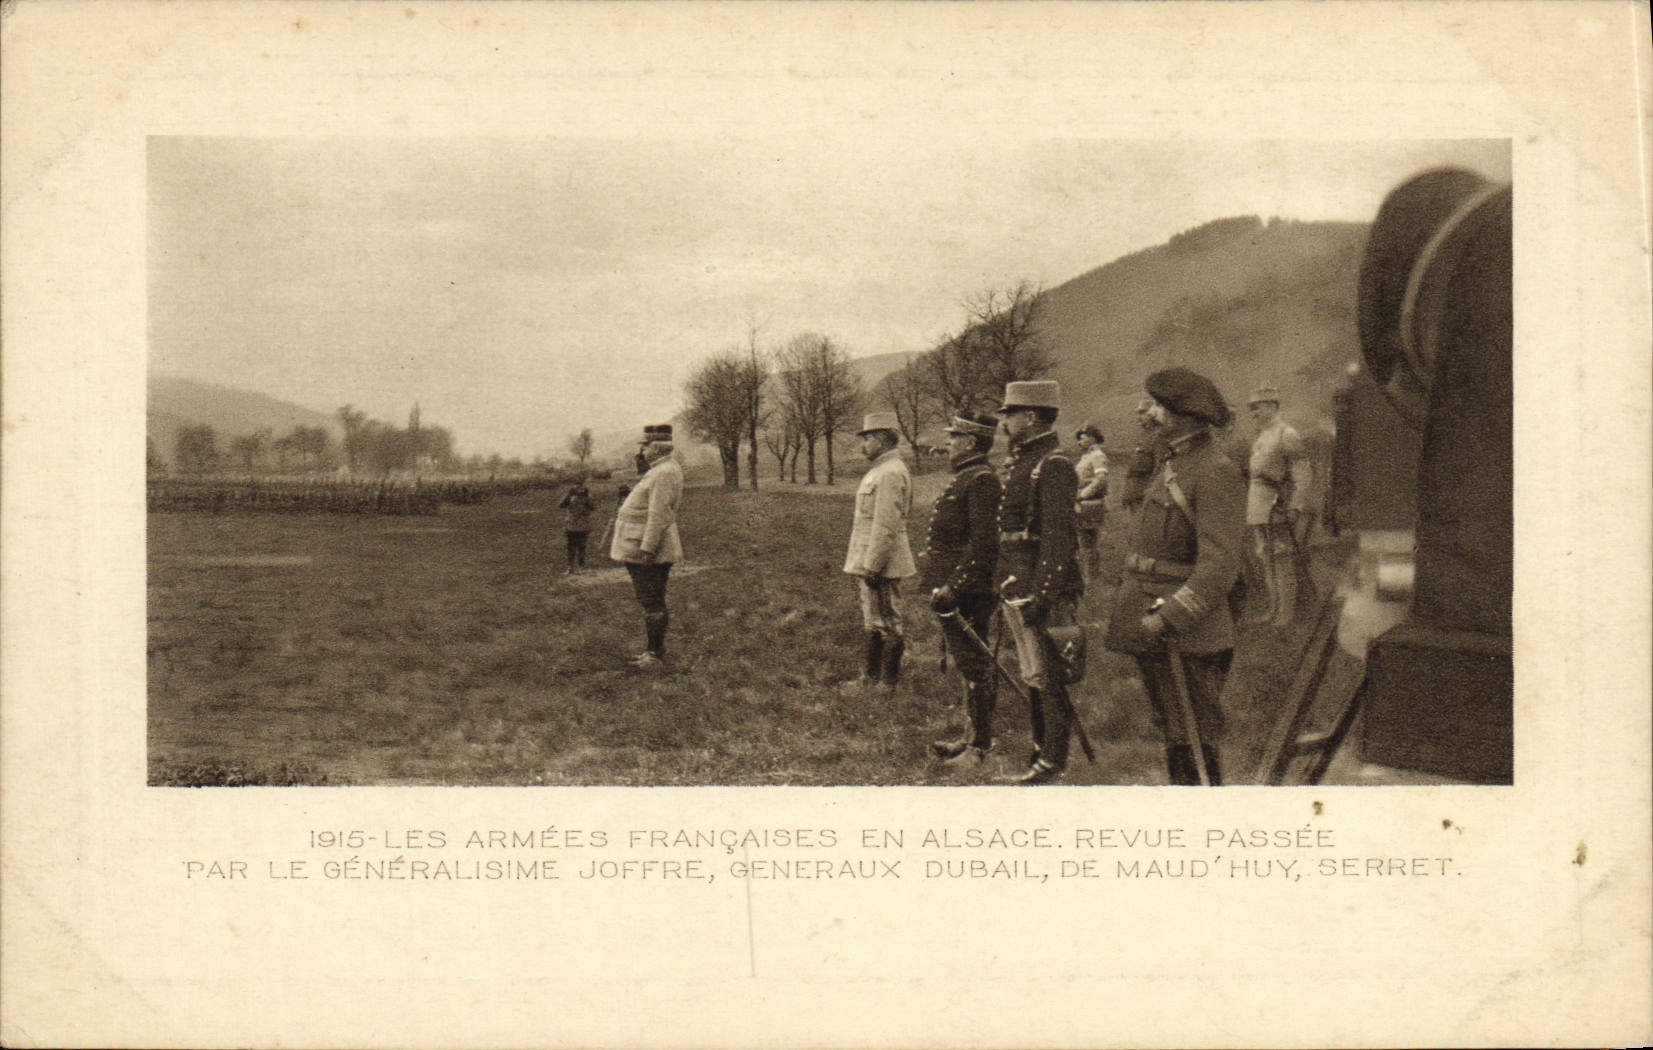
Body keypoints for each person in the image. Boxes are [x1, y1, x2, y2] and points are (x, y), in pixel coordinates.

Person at [1104, 368, 1246, 785]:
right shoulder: (1176, 463)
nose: (1145, 413)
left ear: (1181, 414)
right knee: (1174, 730)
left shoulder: (1214, 469)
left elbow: (1220, 565)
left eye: (1154, 406)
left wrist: (1170, 617)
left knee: (1196, 737)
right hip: (1156, 621)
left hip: (1185, 628)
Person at [993, 381, 1084, 785]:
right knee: (1033, 670)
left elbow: (1059, 538)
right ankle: (1039, 748)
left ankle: (1052, 759)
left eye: (1010, 414)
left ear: (1030, 416)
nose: (1005, 422)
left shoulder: (1053, 464)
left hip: (1040, 584)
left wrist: (1043, 595)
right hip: (1019, 581)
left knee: (1048, 673)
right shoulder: (1026, 460)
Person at [924, 410, 1003, 764]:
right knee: (968, 665)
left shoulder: (982, 479)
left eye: (953, 436)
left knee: (975, 665)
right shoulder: (969, 476)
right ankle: (971, 738)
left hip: (969, 590)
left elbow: (983, 544)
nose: (948, 442)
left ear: (970, 442)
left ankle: (979, 747)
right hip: (958, 587)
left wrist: (953, 587)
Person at [842, 412, 916, 693]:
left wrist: (873, 566)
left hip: (882, 563)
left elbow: (886, 525)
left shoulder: (890, 473)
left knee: (888, 620)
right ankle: (870, 678)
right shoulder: (880, 470)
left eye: (868, 438)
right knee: (873, 620)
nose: (863, 445)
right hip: (872, 560)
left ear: (883, 439)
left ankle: (887, 682)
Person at [609, 425, 683, 669]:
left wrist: (648, 548)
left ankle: (654, 656)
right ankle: (653, 652)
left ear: (657, 447)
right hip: (643, 546)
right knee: (651, 601)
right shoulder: (660, 470)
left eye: (645, 445)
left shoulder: (663, 473)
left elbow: (658, 513)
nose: (641, 450)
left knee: (652, 602)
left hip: (647, 550)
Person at [1246, 386, 1314, 625]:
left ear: (1272, 407)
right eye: (1252, 408)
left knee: (1281, 558)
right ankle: (1273, 609)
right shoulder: (1262, 435)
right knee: (1265, 558)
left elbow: (1303, 473)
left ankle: (1286, 614)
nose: (1253, 413)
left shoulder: (1286, 434)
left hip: (1277, 506)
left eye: (1258, 407)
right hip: (1258, 506)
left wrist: (1295, 506)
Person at [1073, 423, 1110, 582]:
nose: (1080, 442)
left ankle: (1091, 578)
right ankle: (1088, 576)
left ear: (1093, 438)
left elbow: (1101, 480)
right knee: (1084, 542)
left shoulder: (1097, 456)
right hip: (1084, 503)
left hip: (1090, 504)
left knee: (1088, 543)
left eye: (1083, 438)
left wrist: (1082, 495)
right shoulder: (1086, 456)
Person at [1119, 398, 1160, 514]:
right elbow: (1132, 470)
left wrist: (1150, 495)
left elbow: (1159, 469)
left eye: (1143, 413)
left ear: (1153, 413)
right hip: (1134, 495)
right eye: (1139, 413)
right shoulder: (1144, 436)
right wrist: (1127, 493)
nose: (1139, 417)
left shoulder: (1158, 437)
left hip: (1146, 496)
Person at [558, 477, 597, 574]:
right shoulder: (570, 497)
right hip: (571, 524)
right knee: (571, 547)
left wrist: (586, 498)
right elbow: (561, 505)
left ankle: (581, 567)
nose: (579, 488)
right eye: (577, 486)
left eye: (580, 486)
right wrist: (568, 495)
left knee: (581, 546)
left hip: (583, 525)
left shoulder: (587, 497)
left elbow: (593, 507)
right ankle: (570, 567)